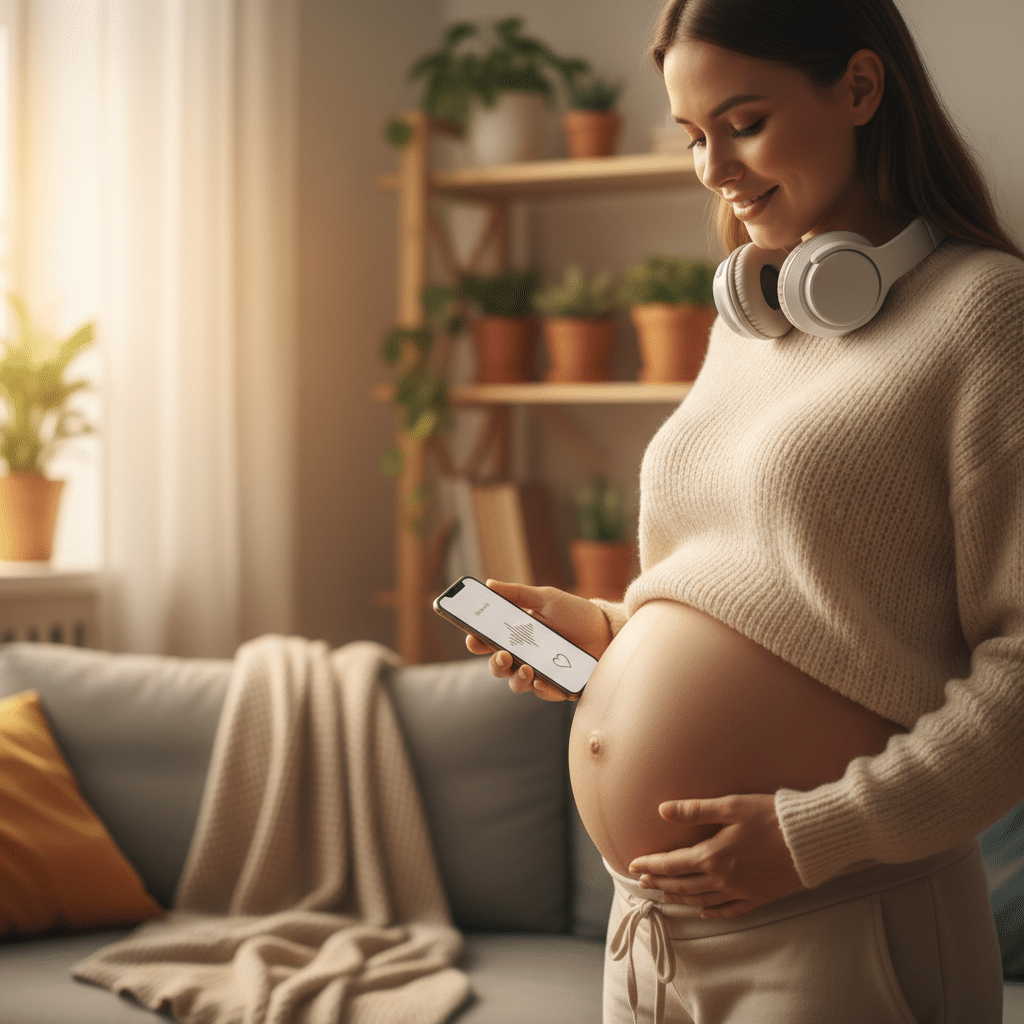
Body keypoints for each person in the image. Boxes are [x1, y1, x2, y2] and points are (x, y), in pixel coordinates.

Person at [466, 0, 1024, 1021]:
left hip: (833, 925)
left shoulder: (986, 314)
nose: (713, 168)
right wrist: (601, 634)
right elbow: (767, 597)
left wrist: (818, 831)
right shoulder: (753, 322)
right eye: (691, 135)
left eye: (743, 121)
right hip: (651, 939)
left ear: (859, 88)